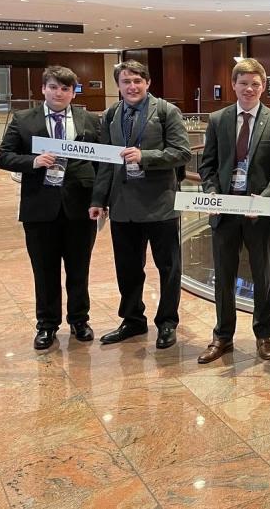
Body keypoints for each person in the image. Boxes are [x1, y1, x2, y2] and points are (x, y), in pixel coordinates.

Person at [0, 65, 102, 350]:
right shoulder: (23, 119)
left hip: (80, 208)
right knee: (44, 270)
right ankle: (47, 325)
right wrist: (32, 162)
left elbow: (101, 163)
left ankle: (80, 320)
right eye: (54, 87)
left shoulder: (89, 120)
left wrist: (99, 200)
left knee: (79, 269)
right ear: (43, 89)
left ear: (73, 93)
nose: (59, 93)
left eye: (65, 88)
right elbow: (3, 157)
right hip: (40, 208)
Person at [89, 60, 191, 349]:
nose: (132, 87)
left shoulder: (166, 112)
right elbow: (105, 163)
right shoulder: (111, 115)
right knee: (128, 268)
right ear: (118, 86)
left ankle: (167, 322)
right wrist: (99, 199)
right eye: (125, 82)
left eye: (137, 81)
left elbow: (182, 152)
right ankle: (132, 319)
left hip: (160, 206)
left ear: (148, 83)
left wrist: (145, 156)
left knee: (168, 268)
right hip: (123, 207)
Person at [196, 58, 270, 364]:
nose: (249, 89)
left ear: (264, 87)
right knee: (224, 276)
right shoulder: (218, 119)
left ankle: (264, 335)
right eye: (244, 83)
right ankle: (222, 336)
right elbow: (207, 165)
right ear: (234, 85)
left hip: (258, 213)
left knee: (263, 275)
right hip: (224, 211)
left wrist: (263, 199)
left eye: (255, 84)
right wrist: (211, 193)